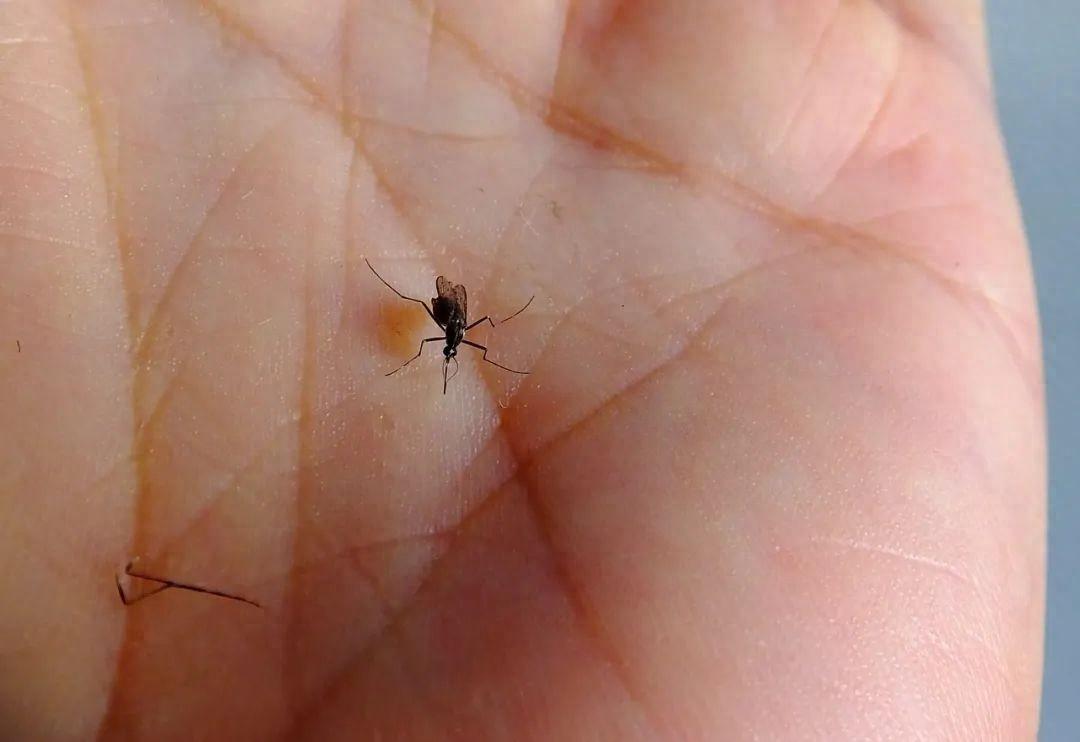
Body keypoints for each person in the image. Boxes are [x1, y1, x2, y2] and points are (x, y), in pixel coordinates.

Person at [0, 1, 1044, 739]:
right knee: (432, 325)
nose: (455, 345)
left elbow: (455, 325)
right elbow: (445, 321)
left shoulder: (452, 330)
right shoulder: (441, 325)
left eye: (457, 341)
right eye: (456, 341)